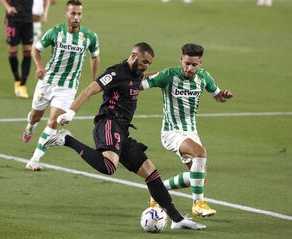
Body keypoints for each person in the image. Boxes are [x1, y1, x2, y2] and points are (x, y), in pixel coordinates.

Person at [42, 42, 206, 230]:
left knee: (151, 173)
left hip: (123, 130)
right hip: (109, 123)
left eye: (149, 64)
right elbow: (90, 90)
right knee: (109, 166)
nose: (146, 66)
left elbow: (144, 77)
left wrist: (169, 74)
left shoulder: (136, 74)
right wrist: (70, 112)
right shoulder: (116, 73)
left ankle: (177, 220)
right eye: (145, 62)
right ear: (134, 56)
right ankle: (67, 139)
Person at [141, 43, 233, 217]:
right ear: (181, 60)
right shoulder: (169, 75)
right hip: (171, 132)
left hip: (191, 132)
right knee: (200, 153)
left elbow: (218, 97)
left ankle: (158, 192)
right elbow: (140, 85)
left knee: (199, 177)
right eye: (187, 64)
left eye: (194, 65)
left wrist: (224, 96)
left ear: (200, 64)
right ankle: (198, 204)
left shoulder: (204, 77)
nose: (190, 68)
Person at [23, 0, 100, 171]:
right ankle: (31, 126)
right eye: (73, 13)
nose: (76, 17)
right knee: (35, 116)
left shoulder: (89, 37)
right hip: (47, 82)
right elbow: (36, 49)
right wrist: (39, 66)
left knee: (54, 121)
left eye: (79, 13)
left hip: (67, 88)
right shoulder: (55, 32)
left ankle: (34, 159)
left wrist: (96, 80)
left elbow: (95, 56)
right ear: (65, 14)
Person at [0, 0, 33, 99]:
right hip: (13, 19)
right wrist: (8, 7)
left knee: (28, 51)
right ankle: (17, 80)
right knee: (12, 51)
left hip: (27, 19)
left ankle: (23, 85)